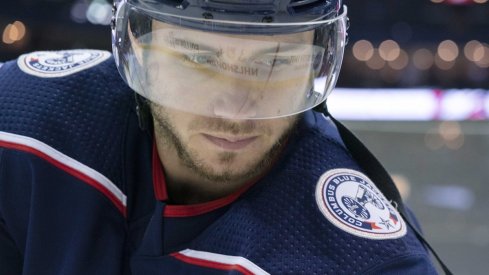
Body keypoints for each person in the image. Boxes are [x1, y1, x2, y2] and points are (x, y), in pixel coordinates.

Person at [0, 0, 442, 274]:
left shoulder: (368, 261)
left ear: (315, 65)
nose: (234, 106)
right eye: (197, 58)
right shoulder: (21, 127)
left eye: (276, 62)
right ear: (139, 48)